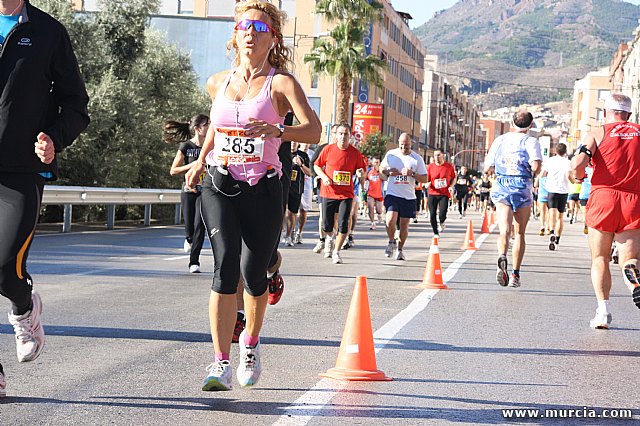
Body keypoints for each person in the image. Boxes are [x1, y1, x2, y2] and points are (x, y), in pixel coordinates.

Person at [186, 0, 320, 391]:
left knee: (252, 272)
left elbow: (314, 131)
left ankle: (251, 344)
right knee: (225, 266)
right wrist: (202, 159)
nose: (249, 32)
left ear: (272, 38)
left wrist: (280, 132)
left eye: (259, 28)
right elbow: (216, 123)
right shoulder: (218, 82)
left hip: (264, 187)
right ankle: (220, 362)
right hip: (220, 182)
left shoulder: (282, 84)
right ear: (235, 35)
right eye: (244, 26)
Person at [0, 0, 89, 398]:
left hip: (21, 171)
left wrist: (54, 138)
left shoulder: (48, 32)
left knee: (4, 267)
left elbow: (76, 104)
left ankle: (23, 307)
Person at [571, 93, 640, 329]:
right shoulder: (639, 131)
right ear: (629, 114)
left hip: (603, 197)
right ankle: (634, 283)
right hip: (633, 199)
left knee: (599, 257)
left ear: (605, 113)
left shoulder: (598, 132)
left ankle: (603, 312)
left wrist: (579, 176)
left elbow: (578, 164)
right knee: (629, 259)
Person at [484, 110, 542, 288]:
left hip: (502, 185)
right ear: (531, 125)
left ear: (511, 122)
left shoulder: (500, 140)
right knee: (520, 233)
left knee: (504, 230)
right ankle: (515, 274)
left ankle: (502, 254)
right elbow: (536, 165)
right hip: (522, 186)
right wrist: (534, 171)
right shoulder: (531, 141)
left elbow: (488, 167)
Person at [313, 123, 366, 264]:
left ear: (350, 136)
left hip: (346, 194)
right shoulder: (328, 149)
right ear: (336, 135)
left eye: (346, 134)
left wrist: (361, 173)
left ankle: (336, 251)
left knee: (343, 223)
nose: (343, 137)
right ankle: (330, 237)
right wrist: (324, 177)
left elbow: (362, 171)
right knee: (326, 225)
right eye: (340, 134)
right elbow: (317, 165)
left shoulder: (355, 153)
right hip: (328, 192)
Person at [165, 115, 210, 273]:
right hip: (189, 190)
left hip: (206, 191)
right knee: (190, 227)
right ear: (198, 128)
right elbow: (173, 170)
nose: (210, 127)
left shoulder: (212, 146)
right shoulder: (186, 146)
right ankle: (188, 238)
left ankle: (194, 262)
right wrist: (193, 165)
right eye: (207, 124)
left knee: (200, 225)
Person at [380, 133, 428, 260]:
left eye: (406, 145)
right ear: (398, 143)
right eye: (401, 144)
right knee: (390, 219)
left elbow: (425, 178)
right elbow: (381, 169)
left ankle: (400, 250)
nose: (403, 147)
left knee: (404, 225)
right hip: (392, 193)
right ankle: (391, 242)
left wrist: (412, 174)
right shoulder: (391, 154)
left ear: (411, 144)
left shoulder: (416, 159)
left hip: (408, 196)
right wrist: (388, 172)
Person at [310, 124, 338, 254]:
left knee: (335, 218)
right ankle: (322, 240)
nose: (336, 136)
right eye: (334, 133)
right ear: (331, 134)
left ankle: (331, 239)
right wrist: (316, 176)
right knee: (323, 215)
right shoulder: (323, 148)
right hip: (324, 187)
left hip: (338, 189)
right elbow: (313, 163)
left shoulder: (343, 150)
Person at [540, 142, 572, 251]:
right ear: (565, 152)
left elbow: (543, 173)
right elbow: (569, 175)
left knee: (551, 212)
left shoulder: (550, 160)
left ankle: (551, 232)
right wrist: (574, 181)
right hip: (563, 190)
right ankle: (557, 240)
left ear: (555, 151)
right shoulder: (568, 162)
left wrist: (537, 182)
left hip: (551, 189)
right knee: (560, 217)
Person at [283, 141, 311, 246]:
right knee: (282, 210)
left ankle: (289, 235)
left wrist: (301, 165)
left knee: (292, 213)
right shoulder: (282, 152)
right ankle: (282, 232)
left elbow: (309, 172)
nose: (293, 144)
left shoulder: (303, 156)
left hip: (296, 188)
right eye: (291, 142)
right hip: (284, 187)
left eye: (295, 142)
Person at [426, 149, 456, 237]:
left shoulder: (449, 166)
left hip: (444, 193)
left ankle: (442, 221)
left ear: (443, 156)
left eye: (438, 155)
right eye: (435, 155)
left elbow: (454, 178)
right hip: (432, 192)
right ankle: (435, 233)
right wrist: (426, 183)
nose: (437, 157)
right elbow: (426, 179)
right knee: (432, 214)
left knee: (442, 213)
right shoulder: (430, 167)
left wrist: (451, 186)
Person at [366, 157, 384, 229]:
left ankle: (379, 214)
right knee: (370, 208)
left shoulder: (381, 171)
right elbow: (364, 178)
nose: (376, 164)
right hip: (370, 193)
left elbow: (385, 178)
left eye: (377, 162)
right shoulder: (369, 171)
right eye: (374, 162)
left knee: (379, 210)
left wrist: (378, 172)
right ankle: (372, 223)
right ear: (372, 163)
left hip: (379, 193)